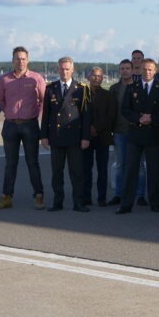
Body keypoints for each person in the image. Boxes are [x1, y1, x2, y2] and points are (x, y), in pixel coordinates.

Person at [0, 46, 46, 210]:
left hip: (30, 125)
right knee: (10, 163)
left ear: (27, 60)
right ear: (13, 60)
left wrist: (36, 114)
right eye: (17, 58)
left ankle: (38, 195)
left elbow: (43, 100)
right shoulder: (4, 80)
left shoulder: (36, 78)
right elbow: (0, 100)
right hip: (10, 125)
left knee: (32, 162)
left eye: (23, 58)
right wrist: (10, 112)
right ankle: (6, 197)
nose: (20, 61)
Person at [117, 58, 159, 214]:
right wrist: (139, 118)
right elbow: (125, 109)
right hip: (135, 135)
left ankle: (156, 203)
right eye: (144, 69)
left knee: (155, 171)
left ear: (155, 71)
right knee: (130, 170)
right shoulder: (132, 87)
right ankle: (126, 204)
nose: (147, 72)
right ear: (140, 70)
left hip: (153, 134)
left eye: (150, 69)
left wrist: (152, 119)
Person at [40, 57, 91, 212]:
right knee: (57, 173)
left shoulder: (81, 89)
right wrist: (44, 136)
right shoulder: (51, 89)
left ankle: (78, 202)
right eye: (62, 69)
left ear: (72, 70)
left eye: (67, 69)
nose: (64, 71)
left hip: (75, 137)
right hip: (56, 137)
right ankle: (57, 202)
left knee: (76, 173)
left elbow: (86, 116)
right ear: (57, 70)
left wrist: (85, 137)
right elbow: (46, 114)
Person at [109, 59, 146, 207]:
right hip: (119, 131)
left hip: (136, 131)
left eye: (127, 68)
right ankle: (119, 194)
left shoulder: (139, 87)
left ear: (132, 70)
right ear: (119, 71)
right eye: (122, 68)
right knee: (120, 164)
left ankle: (140, 195)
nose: (124, 71)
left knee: (140, 165)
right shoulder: (114, 88)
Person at [83, 67, 117, 207]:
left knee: (102, 169)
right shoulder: (82, 93)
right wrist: (88, 128)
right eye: (94, 76)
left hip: (103, 136)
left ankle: (101, 198)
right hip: (86, 137)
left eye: (99, 76)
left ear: (102, 78)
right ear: (88, 77)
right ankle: (86, 197)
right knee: (86, 169)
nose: (96, 78)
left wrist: (96, 128)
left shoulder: (108, 95)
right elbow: (79, 114)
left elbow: (111, 115)